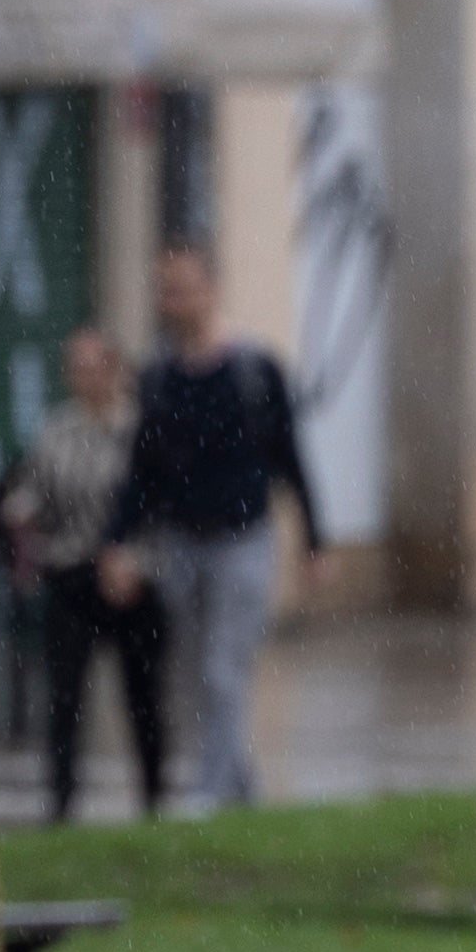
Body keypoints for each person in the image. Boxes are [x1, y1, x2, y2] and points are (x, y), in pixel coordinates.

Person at [105, 240, 319, 813]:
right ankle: (238, 785)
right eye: (164, 289)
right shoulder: (158, 378)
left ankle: (209, 791)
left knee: (226, 667)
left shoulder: (253, 368)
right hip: (182, 541)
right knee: (195, 672)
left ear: (211, 289)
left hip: (243, 539)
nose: (170, 300)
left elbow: (291, 454)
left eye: (181, 287)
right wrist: (117, 541)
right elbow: (142, 470)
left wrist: (314, 540)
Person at [5, 326, 168, 823]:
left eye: (93, 367)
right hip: (71, 572)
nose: (83, 378)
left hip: (133, 577)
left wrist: (132, 560)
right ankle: (61, 803)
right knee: (64, 696)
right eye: (75, 368)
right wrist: (20, 519)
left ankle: (154, 799)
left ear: (114, 370)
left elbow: (159, 504)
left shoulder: (142, 429)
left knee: (143, 695)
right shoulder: (58, 430)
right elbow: (33, 492)